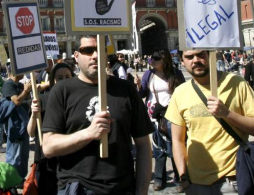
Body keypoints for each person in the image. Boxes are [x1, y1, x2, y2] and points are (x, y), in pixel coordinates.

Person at [42, 35, 154, 195]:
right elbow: (48, 147)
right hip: (77, 187)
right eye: (87, 50)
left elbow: (143, 145)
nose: (95, 55)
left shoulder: (126, 90)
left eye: (100, 49)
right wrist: (89, 133)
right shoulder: (62, 90)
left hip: (121, 187)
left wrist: (142, 191)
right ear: (76, 55)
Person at [165, 50, 254, 194]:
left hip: (233, 179)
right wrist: (183, 175)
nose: (195, 60)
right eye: (189, 57)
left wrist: (227, 114)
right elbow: (177, 140)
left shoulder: (237, 84)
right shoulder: (180, 93)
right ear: (182, 62)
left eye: (201, 55)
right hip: (196, 183)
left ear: (210, 55)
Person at [135, 49, 186, 192]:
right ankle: (159, 179)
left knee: (176, 146)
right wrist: (138, 85)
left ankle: (179, 178)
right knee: (158, 148)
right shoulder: (148, 74)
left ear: (164, 60)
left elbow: (183, 92)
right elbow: (142, 94)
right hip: (154, 115)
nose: (152, 60)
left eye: (156, 58)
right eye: (152, 58)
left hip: (173, 114)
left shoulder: (175, 73)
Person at [27, 62, 74, 194]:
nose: (64, 81)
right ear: (52, 80)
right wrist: (34, 114)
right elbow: (30, 132)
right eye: (60, 78)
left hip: (71, 161)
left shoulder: (77, 100)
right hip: (46, 162)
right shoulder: (42, 99)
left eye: (68, 77)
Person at [0, 66, 32, 179]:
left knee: (24, 155)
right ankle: (11, 179)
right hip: (14, 125)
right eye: (22, 70)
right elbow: (17, 101)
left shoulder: (19, 84)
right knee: (14, 155)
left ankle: (20, 178)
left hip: (24, 123)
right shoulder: (9, 84)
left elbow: (25, 101)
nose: (24, 72)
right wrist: (25, 90)